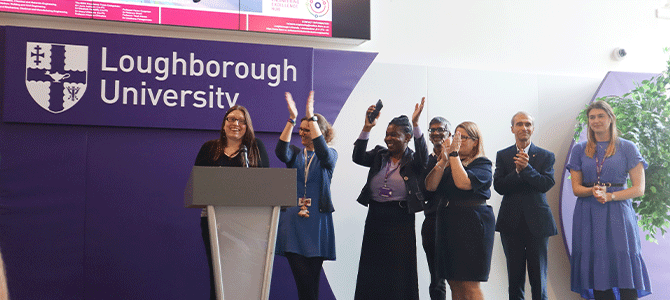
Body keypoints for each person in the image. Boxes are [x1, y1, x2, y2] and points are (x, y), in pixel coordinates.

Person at [567, 100, 650, 300]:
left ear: (611, 118)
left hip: (619, 213)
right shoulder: (580, 149)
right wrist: (593, 191)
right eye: (592, 117)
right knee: (597, 271)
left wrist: (610, 196)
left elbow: (639, 188)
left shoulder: (627, 147)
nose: (596, 121)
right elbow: (577, 189)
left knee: (625, 269)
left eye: (600, 116)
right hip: (589, 212)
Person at [353, 98, 428, 300]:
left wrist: (417, 124)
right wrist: (367, 127)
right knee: (372, 270)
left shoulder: (414, 160)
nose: (388, 138)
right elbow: (358, 157)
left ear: (408, 137)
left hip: (400, 219)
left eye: (394, 134)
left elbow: (424, 156)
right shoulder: (379, 154)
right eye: (387, 134)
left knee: (398, 273)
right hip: (376, 217)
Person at [193, 105, 269, 300]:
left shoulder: (255, 148)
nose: (236, 124)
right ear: (224, 123)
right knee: (218, 276)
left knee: (246, 276)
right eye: (231, 119)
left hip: (249, 224)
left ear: (247, 125)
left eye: (241, 121)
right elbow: (198, 183)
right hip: (214, 221)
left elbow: (267, 185)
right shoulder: (209, 148)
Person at [274, 91, 337, 300]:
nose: (301, 133)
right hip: (293, 224)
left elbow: (324, 152)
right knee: (304, 284)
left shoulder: (329, 155)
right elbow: (280, 152)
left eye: (306, 129)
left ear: (319, 131)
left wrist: (311, 116)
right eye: (300, 130)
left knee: (311, 285)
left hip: (317, 223)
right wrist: (292, 119)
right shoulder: (295, 153)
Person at [425, 121, 494, 300]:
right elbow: (430, 186)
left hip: (472, 226)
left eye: (463, 138)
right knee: (454, 282)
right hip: (449, 224)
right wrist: (442, 161)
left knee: (469, 285)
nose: (457, 141)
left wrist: (453, 155)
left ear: (475, 141)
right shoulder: (450, 162)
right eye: (455, 137)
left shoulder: (483, 164)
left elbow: (463, 183)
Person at [493, 112, 557, 300]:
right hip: (510, 224)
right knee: (515, 279)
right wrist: (517, 172)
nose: (524, 128)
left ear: (533, 129)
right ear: (512, 129)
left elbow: (546, 184)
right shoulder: (503, 155)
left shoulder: (546, 156)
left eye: (528, 124)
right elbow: (499, 187)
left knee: (539, 280)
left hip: (538, 223)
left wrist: (527, 169)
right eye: (519, 124)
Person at [422, 116, 451, 300]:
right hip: (433, 222)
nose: (436, 133)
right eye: (432, 130)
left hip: (457, 222)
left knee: (460, 278)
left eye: (440, 129)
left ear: (450, 133)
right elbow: (424, 192)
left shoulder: (461, 159)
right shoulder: (425, 161)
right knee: (437, 278)